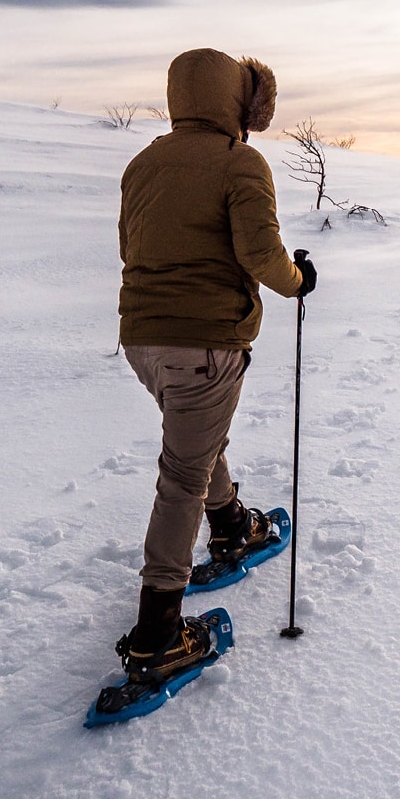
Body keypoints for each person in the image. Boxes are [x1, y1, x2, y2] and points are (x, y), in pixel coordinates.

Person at [112, 47, 317, 682]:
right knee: (183, 474)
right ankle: (158, 637)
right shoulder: (240, 162)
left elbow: (132, 244)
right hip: (204, 340)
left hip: (143, 338)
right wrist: (298, 280)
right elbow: (261, 254)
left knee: (197, 442)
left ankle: (231, 527)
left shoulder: (143, 163)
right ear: (237, 102)